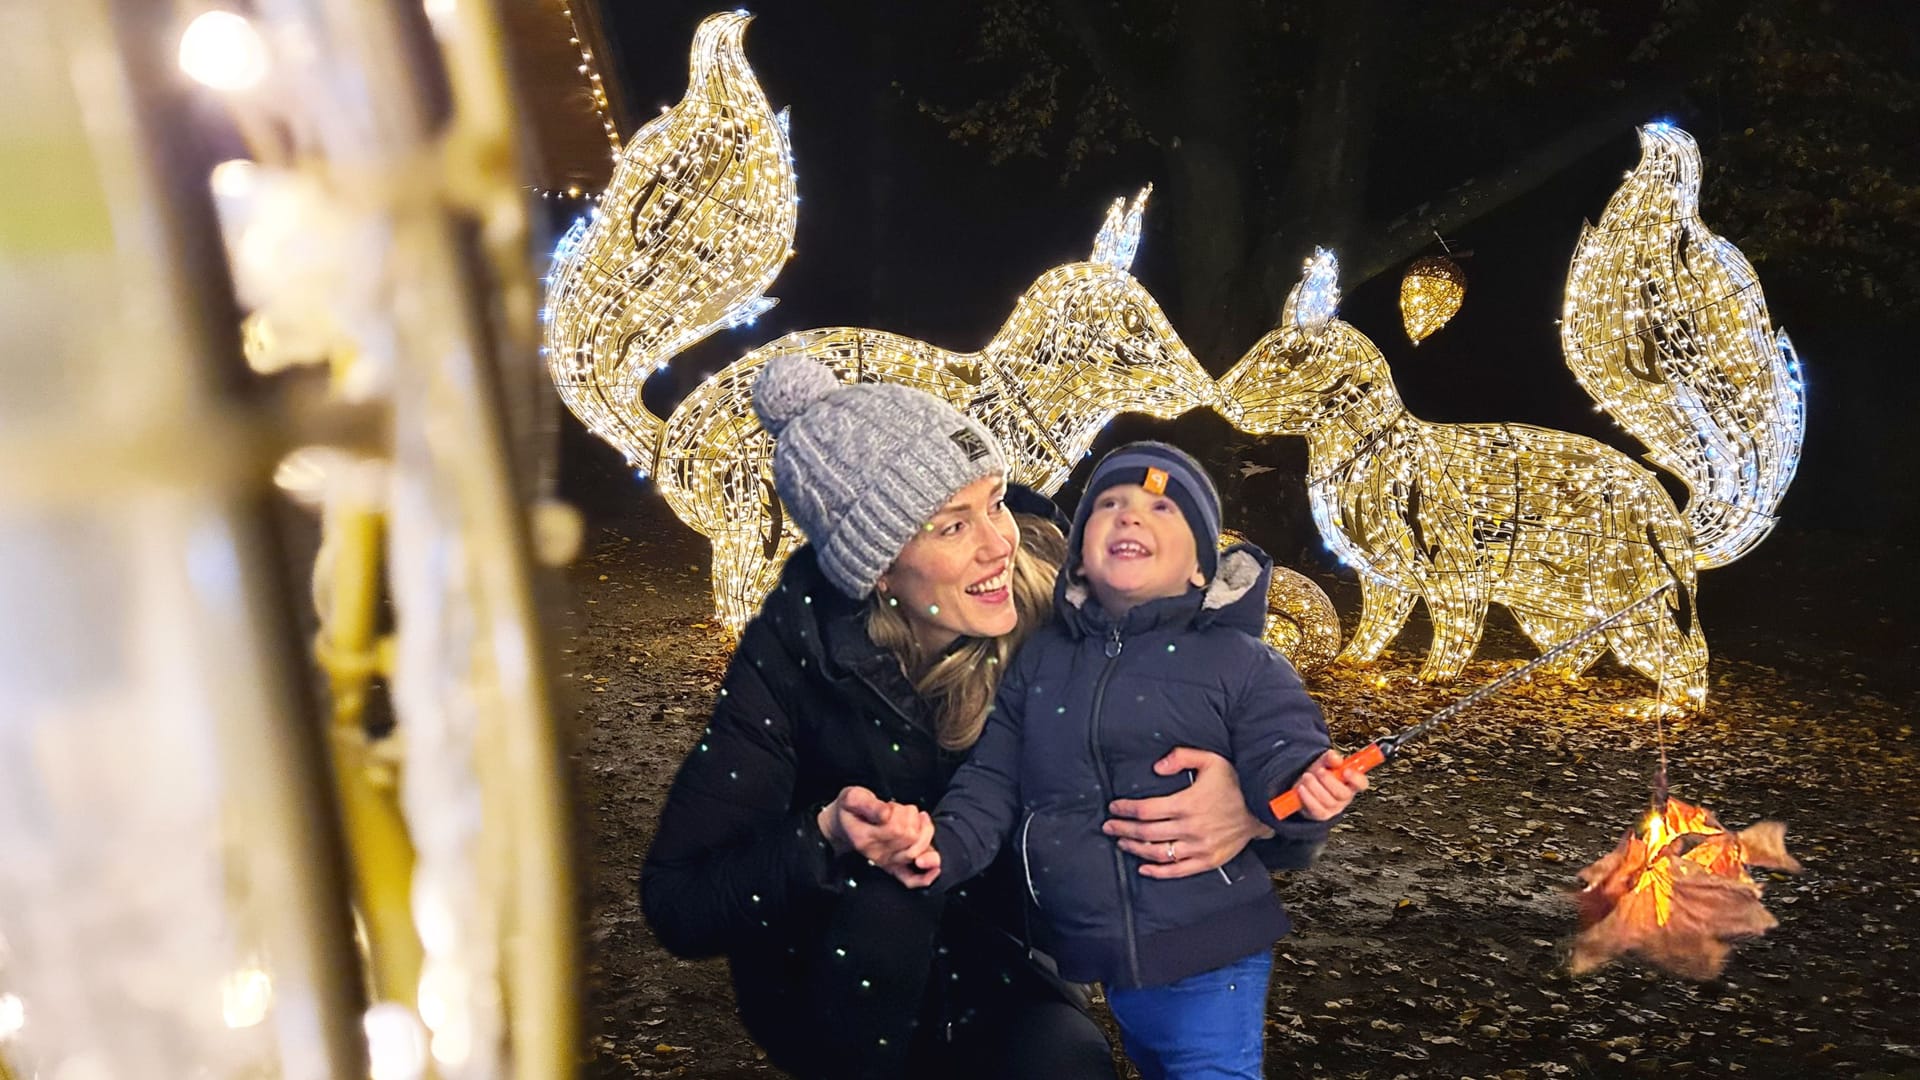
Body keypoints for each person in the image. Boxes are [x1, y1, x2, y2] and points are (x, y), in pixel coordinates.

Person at [639, 357, 1281, 1080]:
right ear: (877, 568)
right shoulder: (792, 659)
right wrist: (824, 835)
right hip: (842, 982)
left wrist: (1246, 798)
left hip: (1005, 962)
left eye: (996, 501)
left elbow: (1230, 696)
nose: (998, 542)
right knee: (889, 899)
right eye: (951, 526)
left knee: (1062, 1065)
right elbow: (680, 902)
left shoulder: (1070, 607)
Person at [853, 441, 1368, 1080]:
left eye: (1161, 509)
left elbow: (1283, 750)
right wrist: (938, 849)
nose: (1130, 518)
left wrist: (1269, 803)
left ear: (1201, 570)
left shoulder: (1233, 661)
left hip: (1197, 943)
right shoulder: (1041, 662)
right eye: (1112, 505)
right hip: (1078, 950)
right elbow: (991, 781)